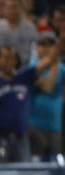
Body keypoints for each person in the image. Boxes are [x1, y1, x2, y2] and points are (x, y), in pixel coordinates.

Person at [0, 45, 58, 162]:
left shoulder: (24, 77)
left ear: (16, 60)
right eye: (4, 57)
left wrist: (59, 42)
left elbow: (48, 61)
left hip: (21, 138)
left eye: (11, 58)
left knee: (24, 174)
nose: (8, 61)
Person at [29, 32, 65, 161]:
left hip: (55, 125)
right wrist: (54, 62)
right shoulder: (33, 67)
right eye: (42, 44)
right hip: (36, 126)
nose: (45, 48)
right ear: (36, 48)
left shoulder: (62, 68)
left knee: (57, 166)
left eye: (50, 45)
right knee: (36, 168)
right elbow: (48, 87)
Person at [0, 0, 37, 66]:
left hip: (25, 68)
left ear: (21, 9)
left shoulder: (31, 28)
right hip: (0, 70)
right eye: (9, 7)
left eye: (15, 7)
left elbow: (35, 51)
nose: (12, 11)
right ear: (4, 9)